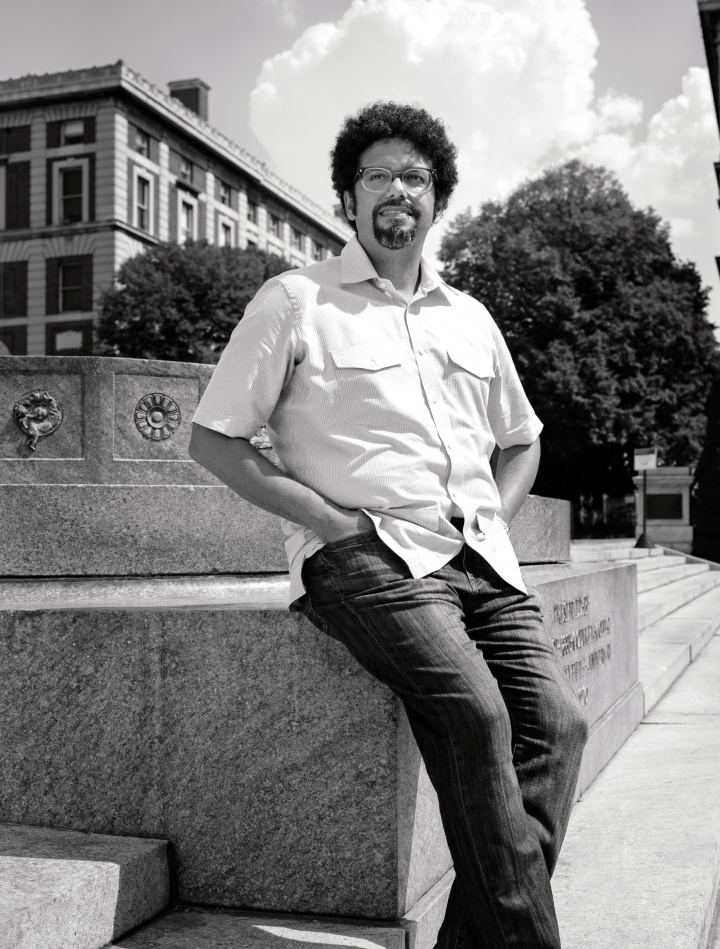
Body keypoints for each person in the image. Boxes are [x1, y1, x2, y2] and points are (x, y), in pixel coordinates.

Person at [189, 101, 588, 949]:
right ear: (347, 196)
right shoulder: (295, 300)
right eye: (377, 175)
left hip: (477, 557)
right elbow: (212, 435)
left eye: (415, 176)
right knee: (477, 713)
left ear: (437, 197)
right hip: (366, 557)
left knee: (559, 724)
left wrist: (496, 518)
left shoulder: (470, 316)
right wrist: (332, 525)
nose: (397, 190)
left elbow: (525, 440)